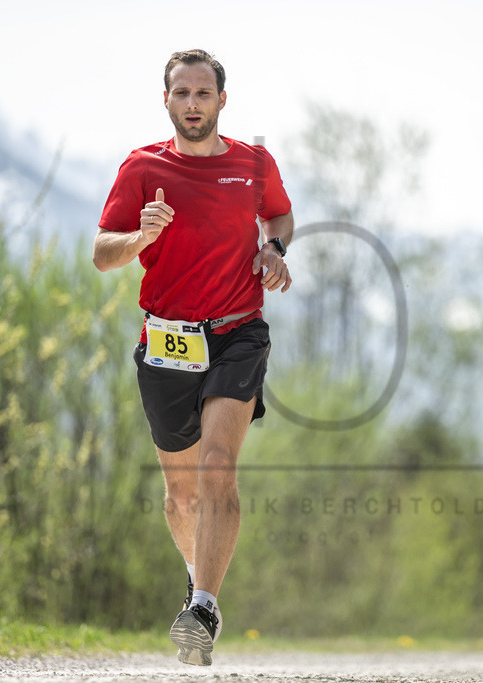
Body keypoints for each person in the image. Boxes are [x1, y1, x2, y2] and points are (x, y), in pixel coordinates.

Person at [92, 49, 294, 667]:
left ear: (222, 101)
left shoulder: (253, 164)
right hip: (167, 341)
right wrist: (141, 238)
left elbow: (279, 215)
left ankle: (203, 606)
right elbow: (103, 253)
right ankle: (195, 571)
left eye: (203, 94)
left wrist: (274, 248)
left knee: (216, 465)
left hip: (238, 332)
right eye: (181, 94)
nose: (192, 104)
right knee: (181, 492)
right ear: (166, 100)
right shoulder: (141, 167)